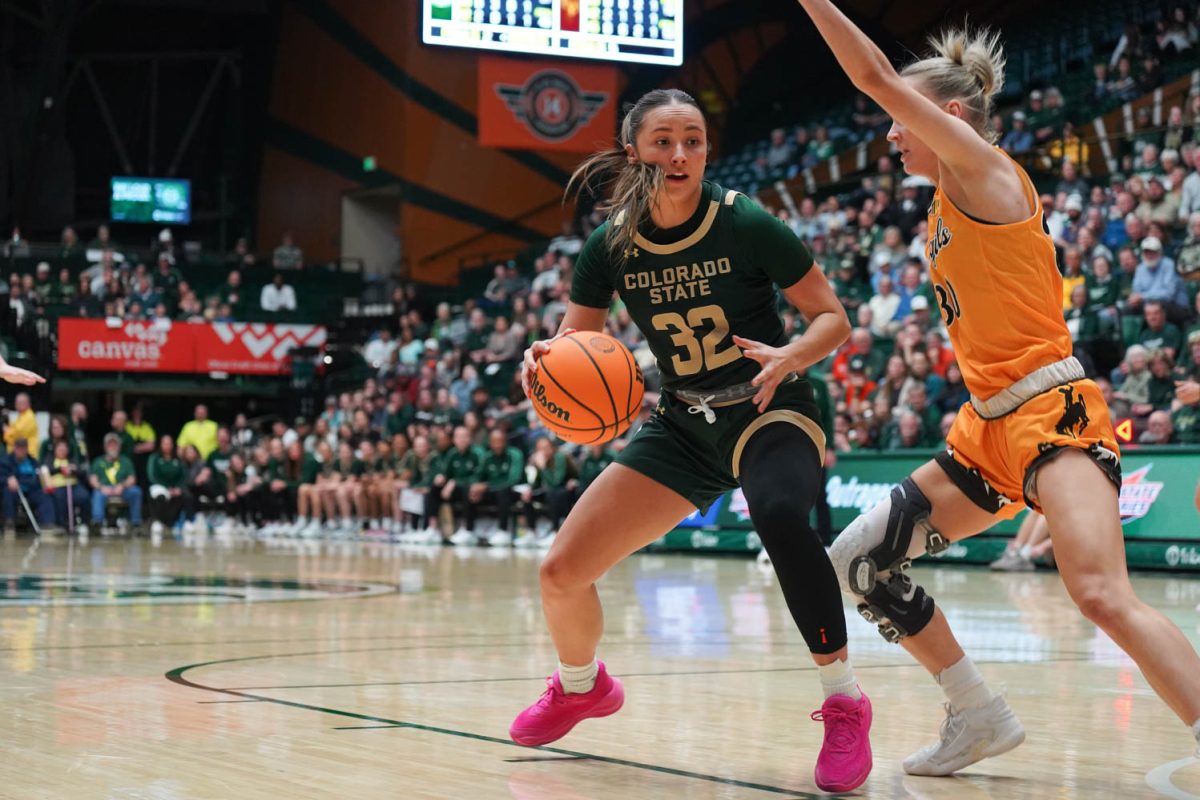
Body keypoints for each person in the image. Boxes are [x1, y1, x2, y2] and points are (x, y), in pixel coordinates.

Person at [797, 2, 1200, 774]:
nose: (889, 131)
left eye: (899, 118)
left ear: (947, 116)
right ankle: (977, 712)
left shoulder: (986, 172)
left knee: (1101, 594)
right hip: (986, 429)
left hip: (1053, 415)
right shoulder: (943, 204)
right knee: (861, 559)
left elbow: (873, 74)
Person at [509, 88, 870, 793]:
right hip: (684, 421)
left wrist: (793, 354)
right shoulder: (609, 245)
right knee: (560, 572)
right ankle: (581, 686)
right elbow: (576, 342)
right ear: (632, 150)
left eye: (694, 140)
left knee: (777, 515)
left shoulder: (747, 223)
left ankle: (845, 700)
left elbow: (833, 319)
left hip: (771, 403)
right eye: (664, 140)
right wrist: (541, 360)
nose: (680, 154)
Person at [89, 433, 142, 530]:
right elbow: (93, 479)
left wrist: (122, 485)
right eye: (110, 444)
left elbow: (132, 478)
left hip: (122, 489)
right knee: (97, 494)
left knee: (136, 492)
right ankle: (97, 522)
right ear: (105, 447)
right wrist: (101, 487)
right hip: (104, 489)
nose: (113, 447)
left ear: (119, 447)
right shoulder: (98, 461)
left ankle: (135, 523)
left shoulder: (126, 461)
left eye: (115, 444)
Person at [2, 438, 54, 533]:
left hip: (31, 489)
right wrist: (7, 480)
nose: (21, 451)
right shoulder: (5, 461)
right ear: (14, 448)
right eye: (19, 448)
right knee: (8, 491)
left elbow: (39, 476)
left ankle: (47, 523)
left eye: (23, 448)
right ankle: (9, 522)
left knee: (44, 495)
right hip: (16, 489)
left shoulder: (33, 462)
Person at [147, 435, 190, 535]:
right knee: (160, 496)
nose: (167, 446)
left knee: (187, 496)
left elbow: (183, 476)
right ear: (161, 445)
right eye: (164, 443)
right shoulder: (154, 458)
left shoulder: (178, 459)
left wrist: (177, 487)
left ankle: (187, 521)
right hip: (159, 485)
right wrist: (167, 488)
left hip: (175, 487)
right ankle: (157, 521)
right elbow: (152, 476)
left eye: (169, 443)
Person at [4, 392, 39, 457]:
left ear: (28, 404)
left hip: (27, 456)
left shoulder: (29, 417)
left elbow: (16, 436)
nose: (17, 404)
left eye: (21, 402)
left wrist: (6, 431)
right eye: (17, 402)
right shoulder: (21, 416)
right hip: (17, 456)